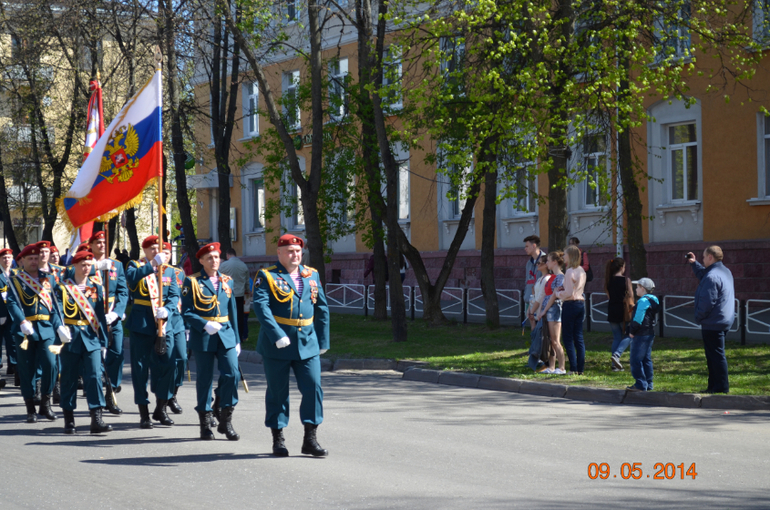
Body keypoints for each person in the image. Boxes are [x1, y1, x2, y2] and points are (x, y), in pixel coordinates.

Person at [253, 234, 330, 457]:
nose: (295, 255)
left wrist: (322, 340)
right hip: (277, 344)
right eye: (289, 251)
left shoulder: (311, 274)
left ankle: (310, 439)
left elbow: (322, 309)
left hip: (307, 342)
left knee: (313, 388)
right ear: (279, 253)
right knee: (278, 392)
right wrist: (276, 334)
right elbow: (261, 306)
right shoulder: (267, 275)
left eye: (298, 251)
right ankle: (278, 439)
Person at [182, 242, 242, 441]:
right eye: (209, 258)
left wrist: (237, 339)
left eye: (216, 257)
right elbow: (187, 311)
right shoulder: (192, 282)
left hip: (226, 334)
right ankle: (205, 424)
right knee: (205, 379)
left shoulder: (228, 281)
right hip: (204, 335)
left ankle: (225, 417)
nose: (214, 261)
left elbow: (233, 311)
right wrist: (203, 324)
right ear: (201, 261)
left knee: (232, 374)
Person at [6, 244, 66, 423]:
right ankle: (30, 407)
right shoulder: (16, 279)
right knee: (26, 370)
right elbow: (12, 302)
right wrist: (22, 321)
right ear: (22, 260)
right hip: (25, 331)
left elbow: (56, 305)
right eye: (30, 258)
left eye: (36, 258)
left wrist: (59, 326)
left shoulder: (48, 279)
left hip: (46, 329)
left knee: (51, 364)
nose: (33, 261)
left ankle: (45, 403)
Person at [125, 235, 180, 429]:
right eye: (153, 249)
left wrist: (169, 308)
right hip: (142, 323)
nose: (157, 252)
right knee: (140, 369)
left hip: (163, 323)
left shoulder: (169, 271)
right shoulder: (135, 265)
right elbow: (131, 280)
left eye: (159, 249)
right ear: (145, 250)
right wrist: (151, 265)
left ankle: (161, 407)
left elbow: (174, 294)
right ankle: (143, 412)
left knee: (168, 365)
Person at [55, 250, 113, 434]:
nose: (86, 268)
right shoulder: (63, 288)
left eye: (89, 265)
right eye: (83, 265)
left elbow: (100, 317)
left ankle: (97, 418)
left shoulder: (96, 287)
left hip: (91, 337)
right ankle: (69, 418)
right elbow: (56, 312)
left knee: (95, 376)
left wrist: (104, 341)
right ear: (74, 266)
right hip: (70, 337)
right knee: (69, 378)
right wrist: (59, 328)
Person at [80, 231, 129, 415]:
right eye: (98, 242)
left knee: (116, 353)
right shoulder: (85, 264)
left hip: (112, 318)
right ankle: (105, 394)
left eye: (104, 242)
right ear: (91, 245)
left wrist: (117, 313)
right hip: (92, 318)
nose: (102, 245)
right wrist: (96, 268)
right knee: (96, 357)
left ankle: (112, 387)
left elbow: (123, 292)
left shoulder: (116, 265)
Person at [686, 246, 735, 394]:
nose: (702, 259)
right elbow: (704, 275)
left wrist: (698, 317)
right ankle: (714, 386)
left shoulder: (712, 276)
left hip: (713, 321)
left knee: (715, 356)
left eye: (703, 257)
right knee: (715, 355)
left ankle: (720, 387)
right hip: (722, 320)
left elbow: (707, 301)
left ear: (710, 257)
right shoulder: (724, 271)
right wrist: (694, 263)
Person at [162, 242, 188, 415]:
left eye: (169, 252)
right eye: (164, 252)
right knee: (167, 361)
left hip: (177, 319)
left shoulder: (179, 273)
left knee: (182, 358)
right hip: (162, 320)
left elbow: (185, 296)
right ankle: (163, 397)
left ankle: (174, 394)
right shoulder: (153, 272)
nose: (167, 255)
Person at [556, 244, 587, 375]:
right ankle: (580, 368)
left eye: (565, 254)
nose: (563, 257)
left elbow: (568, 292)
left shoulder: (569, 271)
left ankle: (573, 368)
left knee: (568, 337)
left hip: (570, 304)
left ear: (571, 256)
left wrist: (557, 293)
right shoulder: (581, 270)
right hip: (580, 304)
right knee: (578, 337)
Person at [626, 278, 660, 392]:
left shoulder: (642, 301)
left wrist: (632, 331)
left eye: (637, 287)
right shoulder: (653, 300)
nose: (636, 289)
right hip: (649, 333)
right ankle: (649, 383)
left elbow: (638, 318)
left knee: (635, 359)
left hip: (640, 334)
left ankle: (640, 384)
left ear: (643, 288)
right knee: (646, 359)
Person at [536, 252, 567, 374]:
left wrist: (543, 310)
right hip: (548, 309)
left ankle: (562, 367)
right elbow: (548, 294)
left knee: (555, 340)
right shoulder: (553, 276)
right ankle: (552, 366)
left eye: (548, 260)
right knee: (549, 340)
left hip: (553, 310)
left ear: (555, 262)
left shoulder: (560, 277)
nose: (546, 263)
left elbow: (554, 296)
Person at [605, 257, 633, 371]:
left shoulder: (608, 280)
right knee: (629, 335)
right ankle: (617, 354)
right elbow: (630, 294)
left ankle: (614, 366)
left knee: (616, 337)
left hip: (612, 310)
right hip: (623, 311)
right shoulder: (626, 280)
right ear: (622, 268)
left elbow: (609, 296)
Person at [219, 248, 251, 342]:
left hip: (227, 294)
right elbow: (247, 281)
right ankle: (240, 336)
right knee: (240, 317)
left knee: (227, 315)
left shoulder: (224, 265)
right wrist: (248, 291)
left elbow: (219, 278)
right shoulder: (243, 265)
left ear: (228, 254)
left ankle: (228, 335)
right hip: (240, 295)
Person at [0, 248, 17, 387]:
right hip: (0, 314)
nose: (6, 260)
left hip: (12, 315)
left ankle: (15, 369)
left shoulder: (16, 274)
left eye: (9, 257)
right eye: (4, 258)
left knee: (13, 343)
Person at [523, 235, 546, 327]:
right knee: (533, 328)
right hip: (529, 300)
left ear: (534, 246)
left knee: (541, 330)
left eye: (527, 246)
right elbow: (527, 281)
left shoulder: (545, 261)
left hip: (540, 302)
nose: (525, 249)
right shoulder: (529, 263)